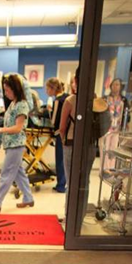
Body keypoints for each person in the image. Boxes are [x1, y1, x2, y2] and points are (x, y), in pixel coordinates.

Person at [0, 74, 34, 213]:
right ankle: (28, 198)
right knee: (19, 173)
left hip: (16, 145)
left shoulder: (22, 105)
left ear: (15, 89)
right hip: (11, 144)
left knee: (6, 174)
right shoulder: (13, 104)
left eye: (7, 90)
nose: (6, 93)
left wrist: (0, 130)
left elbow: (18, 128)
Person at [59, 67, 96, 223]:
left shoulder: (70, 101)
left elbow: (61, 128)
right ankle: (80, 217)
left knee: (71, 181)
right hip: (89, 146)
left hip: (71, 145)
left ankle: (69, 216)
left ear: (75, 81)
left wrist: (62, 141)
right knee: (84, 181)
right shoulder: (95, 99)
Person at [100, 78, 131, 170]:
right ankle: (103, 169)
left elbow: (127, 113)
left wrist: (126, 125)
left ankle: (111, 168)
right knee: (104, 147)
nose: (115, 86)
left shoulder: (124, 100)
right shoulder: (105, 98)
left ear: (121, 87)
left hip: (117, 128)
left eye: (117, 84)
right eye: (113, 84)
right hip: (106, 127)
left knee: (114, 148)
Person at [45, 77, 68, 193]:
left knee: (60, 159)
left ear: (52, 88)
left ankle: (61, 185)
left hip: (60, 133)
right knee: (66, 159)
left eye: (47, 88)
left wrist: (48, 111)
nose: (46, 91)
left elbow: (54, 121)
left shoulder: (58, 101)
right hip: (69, 133)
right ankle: (64, 183)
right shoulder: (68, 97)